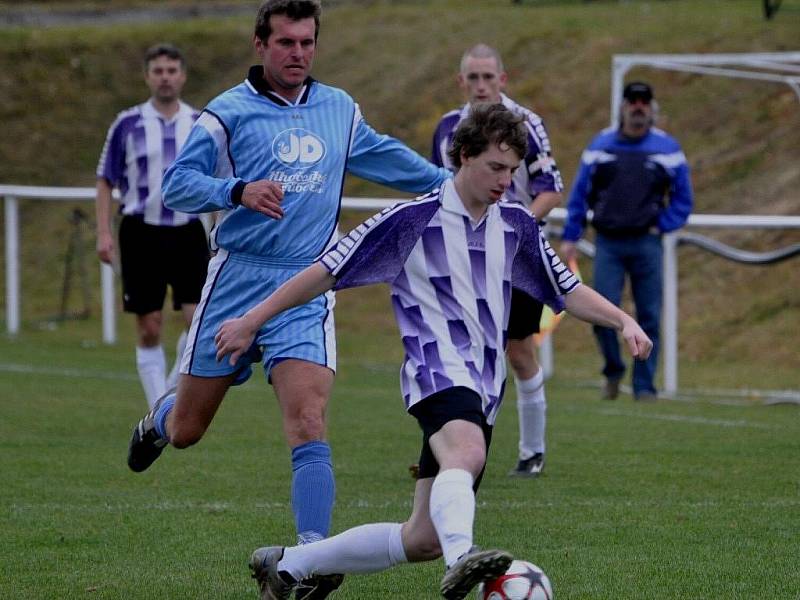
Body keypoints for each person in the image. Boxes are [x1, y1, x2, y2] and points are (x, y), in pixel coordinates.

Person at [215, 104, 652, 600]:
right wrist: (253, 320)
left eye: (512, 171)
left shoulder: (516, 224)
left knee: (420, 536)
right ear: (463, 156)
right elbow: (325, 270)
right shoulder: (410, 219)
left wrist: (622, 319)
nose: (506, 181)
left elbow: (566, 289)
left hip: (485, 385)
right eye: (495, 168)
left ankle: (290, 565)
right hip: (435, 368)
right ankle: (462, 557)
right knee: (465, 454)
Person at [126, 1, 450, 597]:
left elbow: (386, 158)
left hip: (308, 285)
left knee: (309, 419)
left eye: (307, 42)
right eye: (286, 43)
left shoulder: (339, 109)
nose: (298, 53)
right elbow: (177, 186)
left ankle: (308, 560)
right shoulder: (227, 113)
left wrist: (450, 185)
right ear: (260, 44)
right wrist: (237, 190)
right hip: (237, 282)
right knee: (190, 431)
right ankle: (160, 420)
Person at [431, 44, 563, 478]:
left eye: (489, 76)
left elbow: (549, 188)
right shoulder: (448, 128)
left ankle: (532, 451)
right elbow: (439, 191)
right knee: (457, 352)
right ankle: (452, 452)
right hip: (461, 259)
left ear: (503, 79)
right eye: (474, 78)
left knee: (519, 351)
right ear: (461, 82)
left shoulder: (527, 124)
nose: (482, 85)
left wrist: (514, 227)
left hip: (516, 258)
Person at [561, 81, 693, 402]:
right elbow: (580, 194)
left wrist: (662, 226)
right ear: (622, 107)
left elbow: (683, 199)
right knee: (602, 311)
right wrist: (570, 235)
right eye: (632, 101)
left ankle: (644, 387)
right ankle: (613, 370)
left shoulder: (668, 149)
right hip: (608, 243)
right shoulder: (600, 146)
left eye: (644, 102)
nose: (638, 107)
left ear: (652, 108)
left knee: (649, 314)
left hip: (647, 244)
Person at [95, 43, 208, 409]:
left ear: (183, 76)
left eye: (172, 70)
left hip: (188, 230)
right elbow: (105, 180)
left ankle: (165, 401)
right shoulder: (127, 123)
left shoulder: (200, 124)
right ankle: (157, 407)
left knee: (199, 325)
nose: (165, 77)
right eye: (158, 71)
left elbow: (220, 177)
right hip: (141, 232)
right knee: (150, 326)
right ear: (147, 76)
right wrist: (103, 232)